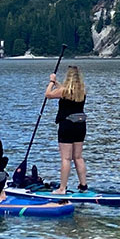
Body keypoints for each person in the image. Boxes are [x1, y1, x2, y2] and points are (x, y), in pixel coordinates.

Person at [45, 65, 88, 193]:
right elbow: (66, 92)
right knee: (78, 157)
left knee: (66, 158)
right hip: (80, 125)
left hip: (67, 125)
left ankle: (62, 188)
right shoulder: (82, 91)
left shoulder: (64, 92)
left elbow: (48, 94)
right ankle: (83, 185)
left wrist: (52, 82)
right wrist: (58, 84)